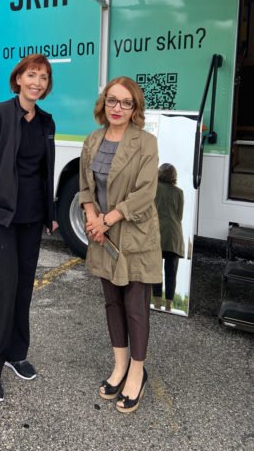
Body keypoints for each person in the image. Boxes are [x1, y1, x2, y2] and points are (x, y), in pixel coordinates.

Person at [0, 54, 57, 403]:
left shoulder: (46, 122)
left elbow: (44, 171)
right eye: (32, 75)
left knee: (23, 289)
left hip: (32, 219)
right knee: (1, 293)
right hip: (0, 219)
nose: (38, 82)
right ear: (18, 78)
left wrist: (51, 213)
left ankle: (15, 353)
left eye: (44, 77)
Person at [79, 76, 162, 414]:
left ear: (135, 108)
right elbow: (86, 187)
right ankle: (120, 365)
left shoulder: (146, 143)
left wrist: (107, 220)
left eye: (126, 103)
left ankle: (137, 373)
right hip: (102, 236)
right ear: (104, 103)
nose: (117, 108)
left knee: (135, 307)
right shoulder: (93, 139)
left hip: (134, 235)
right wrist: (91, 217)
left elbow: (144, 194)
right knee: (112, 303)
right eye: (112, 100)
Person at [152, 163, 185, 312]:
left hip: (158, 235)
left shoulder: (154, 187)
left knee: (156, 270)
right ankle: (169, 306)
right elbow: (179, 216)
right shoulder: (179, 192)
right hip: (174, 236)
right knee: (171, 273)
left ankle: (157, 304)